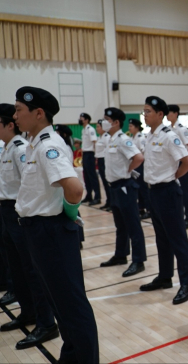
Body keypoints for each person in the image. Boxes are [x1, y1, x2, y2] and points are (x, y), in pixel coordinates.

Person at [14, 87, 100, 363]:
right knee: (61, 304)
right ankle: (73, 355)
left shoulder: (48, 145)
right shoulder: (35, 143)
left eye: (19, 110)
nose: (15, 115)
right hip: (41, 232)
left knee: (71, 305)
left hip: (51, 232)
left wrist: (69, 211)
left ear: (38, 113)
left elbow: (75, 189)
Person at [0, 103, 58, 350]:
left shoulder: (20, 149)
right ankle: (28, 312)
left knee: (31, 271)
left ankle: (47, 323)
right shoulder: (7, 148)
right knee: (18, 267)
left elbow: (29, 184)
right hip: (6, 212)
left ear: (8, 125)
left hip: (17, 211)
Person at [139, 96, 188, 305]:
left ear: (160, 114)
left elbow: (187, 161)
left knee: (177, 240)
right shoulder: (150, 135)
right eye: (144, 111)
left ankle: (187, 284)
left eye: (148, 112)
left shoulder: (169, 136)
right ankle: (164, 277)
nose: (145, 115)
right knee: (161, 238)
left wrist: (172, 178)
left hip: (168, 192)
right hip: (153, 192)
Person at [100, 108, 147, 278]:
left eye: (106, 119)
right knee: (120, 225)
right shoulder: (111, 139)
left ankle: (139, 260)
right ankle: (121, 255)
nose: (103, 122)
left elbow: (139, 158)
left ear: (116, 122)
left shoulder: (122, 139)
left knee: (133, 224)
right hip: (114, 187)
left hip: (124, 186)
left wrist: (127, 171)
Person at [167, 105, 188, 229]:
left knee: (185, 190)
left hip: (182, 162)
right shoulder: (168, 129)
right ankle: (179, 215)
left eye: (169, 113)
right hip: (172, 163)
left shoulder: (181, 129)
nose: (167, 115)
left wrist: (184, 158)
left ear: (175, 113)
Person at [129, 118, 151, 220]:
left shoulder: (140, 138)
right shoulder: (132, 138)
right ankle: (141, 208)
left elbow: (143, 152)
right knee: (138, 189)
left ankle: (149, 209)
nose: (129, 128)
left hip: (140, 164)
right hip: (135, 165)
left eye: (131, 126)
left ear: (137, 127)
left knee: (143, 188)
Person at [79, 112, 101, 206]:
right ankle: (89, 195)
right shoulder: (83, 130)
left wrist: (95, 155)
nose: (80, 120)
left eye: (81, 118)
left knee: (92, 176)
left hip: (90, 154)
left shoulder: (90, 129)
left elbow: (94, 142)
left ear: (87, 120)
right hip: (85, 154)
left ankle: (97, 196)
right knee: (86, 176)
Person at [95, 119, 111, 211]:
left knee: (107, 182)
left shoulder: (106, 137)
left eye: (98, 126)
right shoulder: (99, 137)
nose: (97, 128)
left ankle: (111, 202)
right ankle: (108, 201)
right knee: (104, 183)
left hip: (105, 160)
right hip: (100, 160)